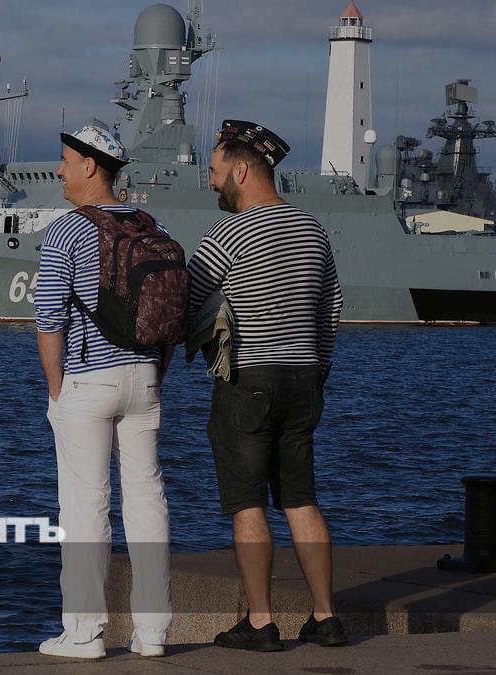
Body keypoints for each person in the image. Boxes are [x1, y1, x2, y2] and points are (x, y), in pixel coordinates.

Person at [187, 120, 346, 652]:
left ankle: (261, 622)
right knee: (301, 500)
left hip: (249, 381)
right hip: (304, 380)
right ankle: (326, 617)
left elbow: (188, 300)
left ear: (241, 170)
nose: (211, 182)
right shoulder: (311, 228)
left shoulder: (228, 233)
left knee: (248, 503)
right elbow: (331, 307)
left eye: (214, 171)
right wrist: (317, 372)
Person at [35, 121, 174, 659]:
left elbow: (50, 320)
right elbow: (168, 314)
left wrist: (56, 391)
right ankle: (153, 633)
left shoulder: (66, 231)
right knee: (147, 500)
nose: (59, 171)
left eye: (66, 161)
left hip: (88, 380)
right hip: (145, 379)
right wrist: (153, 372)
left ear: (90, 166)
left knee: (85, 505)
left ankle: (84, 633)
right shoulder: (153, 225)